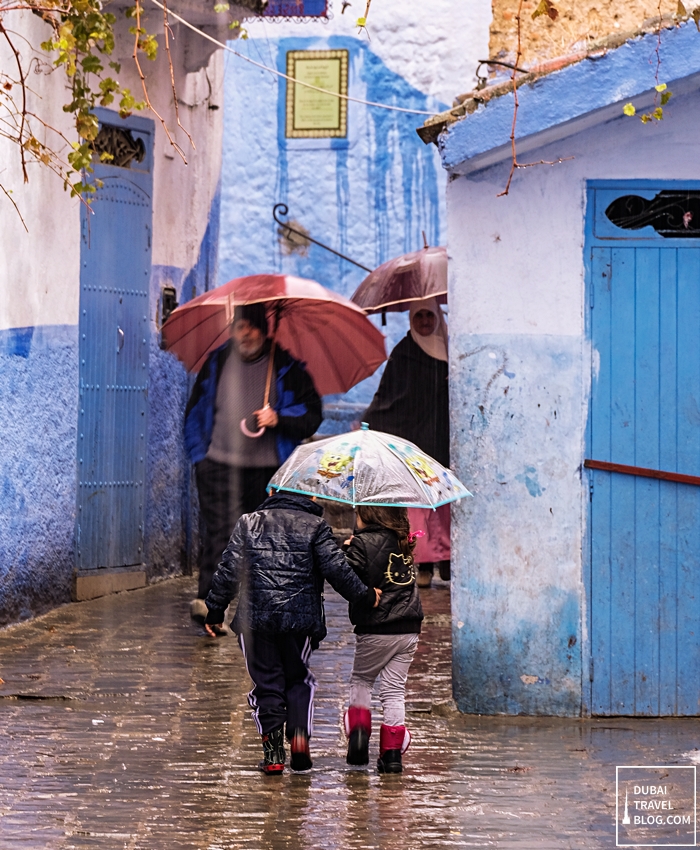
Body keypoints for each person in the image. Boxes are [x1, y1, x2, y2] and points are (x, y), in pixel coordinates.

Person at [203, 490, 382, 774]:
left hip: (255, 621)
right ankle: (299, 736)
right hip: (300, 621)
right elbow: (338, 571)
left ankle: (273, 755)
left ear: (273, 492)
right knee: (298, 678)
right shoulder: (317, 526)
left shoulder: (248, 522)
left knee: (267, 683)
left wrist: (214, 610)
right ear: (311, 496)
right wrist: (365, 596)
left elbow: (228, 570)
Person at [184, 303, 322, 628]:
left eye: (251, 327)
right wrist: (199, 457)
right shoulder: (216, 363)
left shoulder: (286, 366)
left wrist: (279, 417)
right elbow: (195, 411)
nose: (244, 334)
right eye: (239, 327)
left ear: (263, 330)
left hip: (268, 471)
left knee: (265, 540)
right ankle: (210, 605)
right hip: (218, 464)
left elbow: (313, 413)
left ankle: (261, 609)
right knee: (220, 534)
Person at [364, 298, 450, 587]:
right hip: (412, 441)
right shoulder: (404, 352)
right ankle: (423, 566)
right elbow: (389, 395)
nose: (425, 321)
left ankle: (447, 562)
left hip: (443, 440)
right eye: (419, 316)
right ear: (412, 319)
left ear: (437, 317)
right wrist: (371, 421)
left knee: (445, 504)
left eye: (429, 315)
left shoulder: (452, 350)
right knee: (416, 507)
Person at [343, 504, 423, 774]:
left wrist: (347, 550)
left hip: (376, 627)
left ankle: (359, 740)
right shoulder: (404, 540)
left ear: (369, 514)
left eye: (358, 512)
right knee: (394, 690)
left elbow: (346, 577)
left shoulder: (362, 543)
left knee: (362, 680)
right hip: (409, 628)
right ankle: (391, 756)